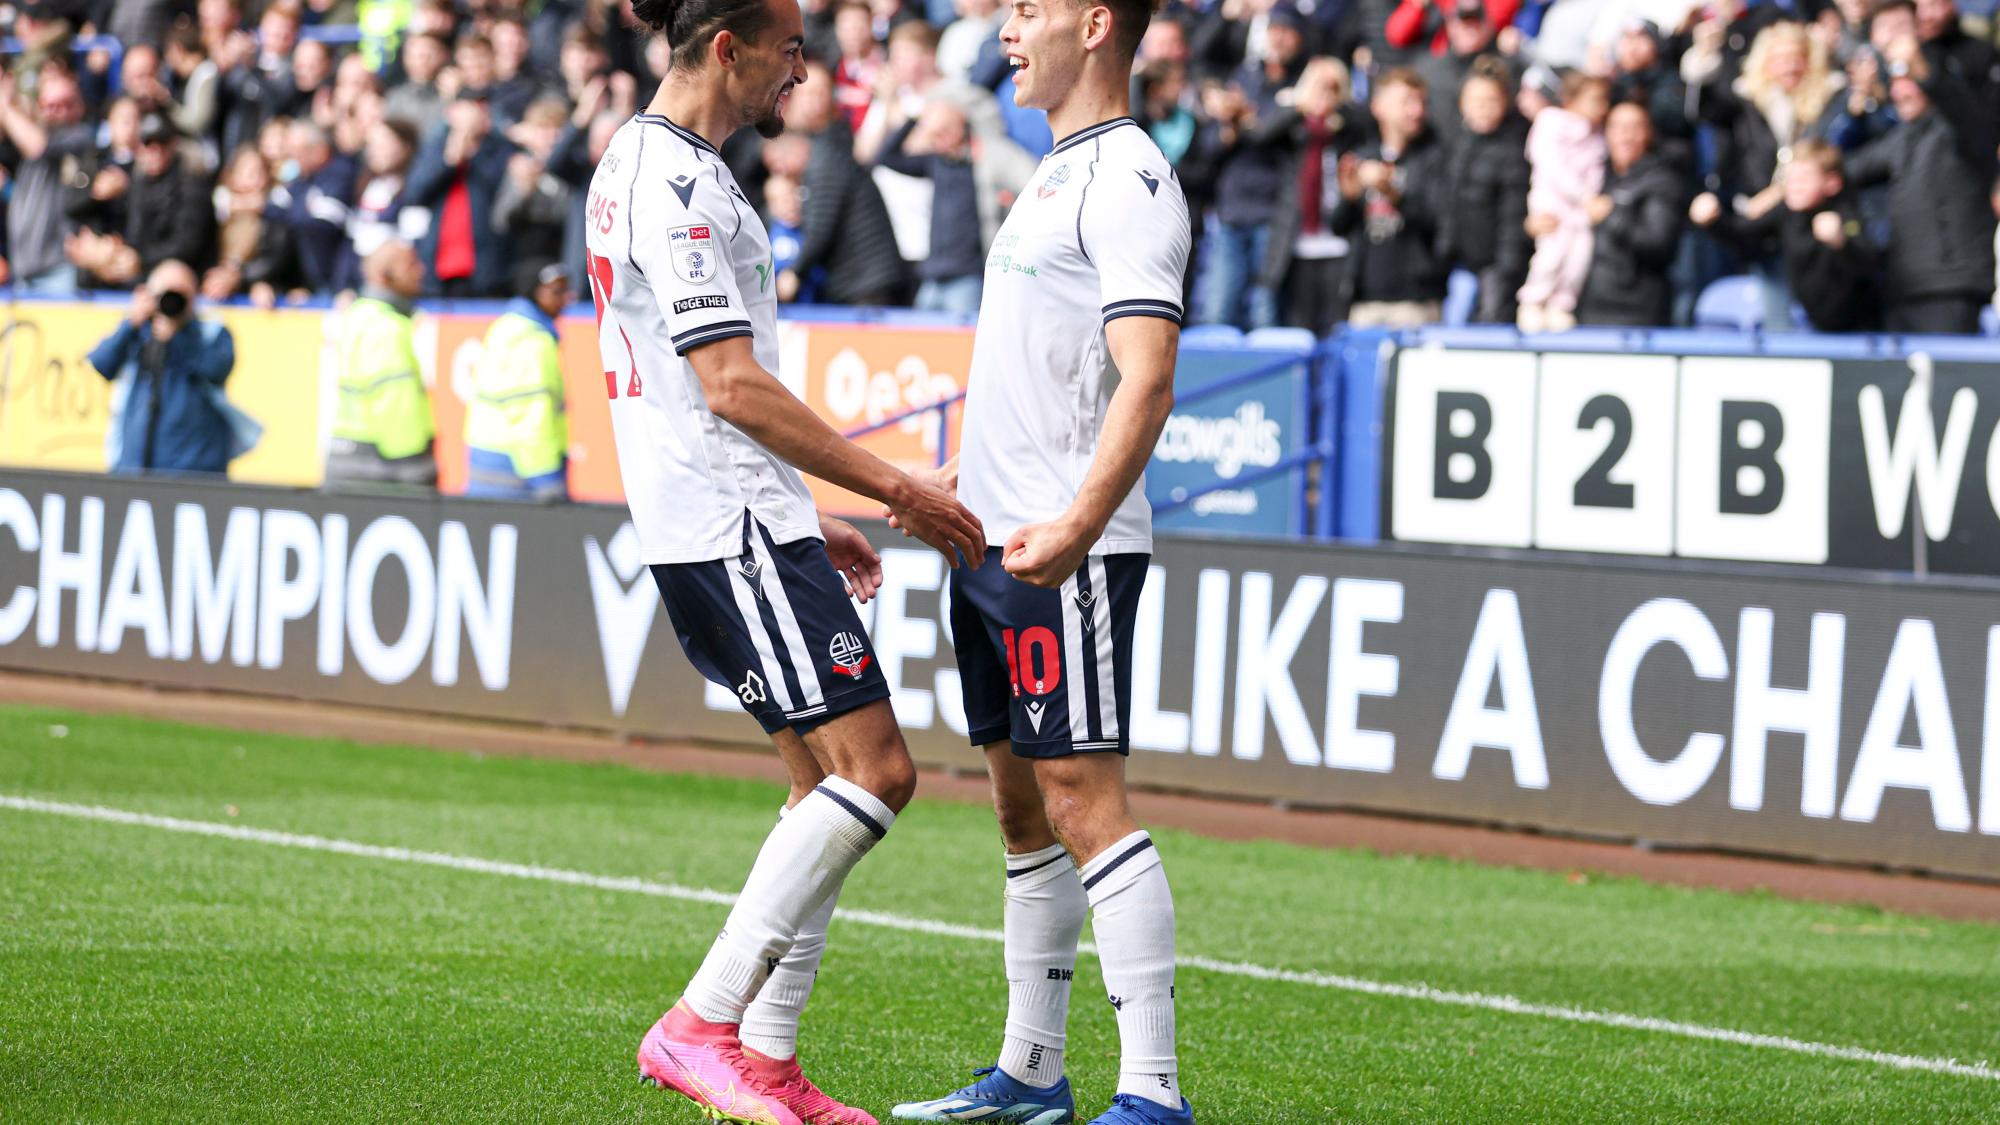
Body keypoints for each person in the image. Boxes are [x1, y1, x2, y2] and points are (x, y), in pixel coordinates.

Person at [593, 1, 983, 1122]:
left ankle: (763, 1057)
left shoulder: (649, 162)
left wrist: (809, 508)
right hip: (729, 528)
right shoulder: (673, 185)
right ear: (729, 47)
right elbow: (727, 384)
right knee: (878, 773)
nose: (802, 74)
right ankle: (703, 1023)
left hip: (728, 518)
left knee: (821, 784)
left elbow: (692, 396)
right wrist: (894, 486)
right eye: (789, 50)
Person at [890, 0, 1194, 1119]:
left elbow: (1147, 378)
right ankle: (1030, 1072)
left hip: (1063, 551)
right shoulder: (1056, 169)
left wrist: (1071, 527)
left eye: (1028, 10)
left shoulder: (1128, 179)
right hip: (992, 540)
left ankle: (1153, 1094)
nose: (1006, 30)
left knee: (1083, 801)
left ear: (1097, 23)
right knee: (1021, 811)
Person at [1842, 33, 1998, 334]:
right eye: (1895, 82)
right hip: (1902, 286)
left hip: (1951, 287)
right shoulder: (1898, 137)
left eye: (1909, 79)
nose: (1901, 91)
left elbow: (1960, 108)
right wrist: (1854, 117)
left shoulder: (1959, 130)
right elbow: (1838, 172)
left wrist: (1925, 70)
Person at [1689, 140, 1882, 332]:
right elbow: (1743, 234)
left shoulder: (1848, 213)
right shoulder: (1787, 212)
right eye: (1790, 177)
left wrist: (1842, 242)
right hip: (1817, 325)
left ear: (1832, 183)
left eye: (1804, 178)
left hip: (1862, 331)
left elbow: (1870, 263)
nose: (1795, 185)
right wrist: (1714, 221)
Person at [87, 260, 238, 477]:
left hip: (194, 470)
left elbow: (216, 369)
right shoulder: (139, 328)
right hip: (135, 465)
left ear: (194, 296)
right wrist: (131, 322)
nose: (172, 302)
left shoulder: (211, 331)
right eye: (165, 294)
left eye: (180, 294)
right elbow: (101, 364)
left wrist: (178, 337)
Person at [1329, 68, 1450, 328]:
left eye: (1421, 102)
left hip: (1416, 301)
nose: (1416, 111)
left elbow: (1439, 225)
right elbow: (1339, 227)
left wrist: (1393, 193)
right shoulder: (1362, 155)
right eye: (1406, 101)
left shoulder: (1435, 158)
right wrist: (1349, 199)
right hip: (1365, 299)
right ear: (1379, 107)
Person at [326, 240, 437, 487]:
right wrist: (415, 468)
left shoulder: (359, 314)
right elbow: (393, 402)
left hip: (353, 459)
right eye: (411, 264)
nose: (421, 270)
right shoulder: (387, 327)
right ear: (383, 275)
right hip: (380, 468)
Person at [464, 261, 572, 501]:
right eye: (557, 291)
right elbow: (530, 419)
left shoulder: (507, 326)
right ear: (534, 292)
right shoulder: (533, 342)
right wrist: (547, 481)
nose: (567, 299)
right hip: (515, 477)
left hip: (487, 466)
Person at [1576, 102, 1686, 328]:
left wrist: (1612, 215)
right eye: (1618, 127)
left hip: (1636, 310)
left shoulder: (1663, 180)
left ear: (1649, 134)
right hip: (1588, 304)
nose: (1626, 136)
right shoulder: (1594, 175)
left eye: (1635, 127)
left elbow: (1659, 244)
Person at [1517, 73, 1609, 334]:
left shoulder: (1597, 135)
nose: (1601, 107)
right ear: (1571, 99)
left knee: (1578, 257)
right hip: (1552, 205)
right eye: (1594, 99)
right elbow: (1551, 165)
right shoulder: (1550, 121)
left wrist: (1590, 200)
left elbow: (1596, 173)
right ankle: (1533, 302)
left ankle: (1560, 305)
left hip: (1580, 213)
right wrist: (1583, 196)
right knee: (1552, 255)